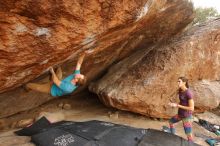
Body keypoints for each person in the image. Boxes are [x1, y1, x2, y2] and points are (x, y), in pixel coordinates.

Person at [168, 77, 194, 142]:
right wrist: (173, 104)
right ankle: (172, 134)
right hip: (180, 115)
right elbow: (182, 101)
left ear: (184, 82)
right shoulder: (180, 90)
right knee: (170, 122)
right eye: (177, 81)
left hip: (187, 117)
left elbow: (191, 108)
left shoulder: (188, 93)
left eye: (179, 81)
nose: (177, 83)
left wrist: (177, 105)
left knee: (188, 135)